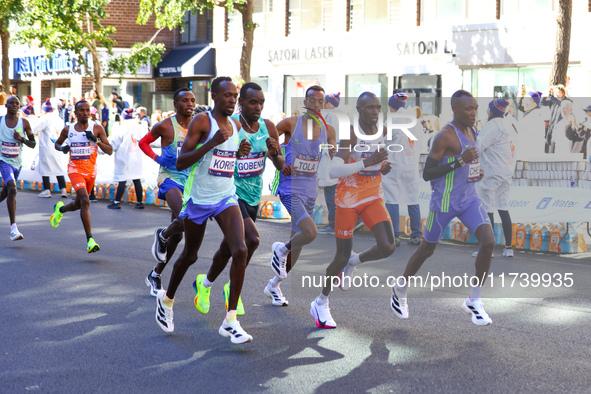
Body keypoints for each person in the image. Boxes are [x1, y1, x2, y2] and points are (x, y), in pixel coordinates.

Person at [154, 77, 254, 344]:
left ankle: (230, 320)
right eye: (227, 96)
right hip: (199, 199)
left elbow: (225, 161)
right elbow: (181, 160)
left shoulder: (235, 125)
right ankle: (167, 300)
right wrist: (210, 143)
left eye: (235, 96)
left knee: (241, 249)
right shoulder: (202, 122)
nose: (232, 100)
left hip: (225, 196)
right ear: (214, 97)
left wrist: (240, 153)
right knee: (190, 255)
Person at [391, 90, 495, 326]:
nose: (473, 112)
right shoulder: (445, 136)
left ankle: (474, 300)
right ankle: (400, 287)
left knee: (488, 241)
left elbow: (466, 165)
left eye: (475, 107)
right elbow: (428, 173)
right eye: (468, 108)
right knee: (427, 250)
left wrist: (475, 171)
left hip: (469, 199)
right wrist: (461, 161)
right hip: (445, 203)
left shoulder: (472, 130)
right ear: (455, 110)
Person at [192, 82, 284, 315]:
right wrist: (236, 154)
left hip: (253, 196)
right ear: (240, 103)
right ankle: (233, 290)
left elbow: (281, 165)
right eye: (253, 102)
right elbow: (215, 160)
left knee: (230, 248)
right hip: (230, 193)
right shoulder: (232, 127)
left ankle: (204, 284)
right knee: (251, 239)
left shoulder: (269, 127)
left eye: (261, 102)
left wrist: (274, 154)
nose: (258, 107)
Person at [310, 92, 395, 329]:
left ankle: (354, 263)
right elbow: (334, 172)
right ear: (359, 109)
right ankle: (321, 301)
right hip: (347, 199)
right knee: (340, 256)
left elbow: (373, 160)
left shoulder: (383, 131)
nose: (375, 112)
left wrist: (381, 166)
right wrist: (368, 163)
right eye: (370, 108)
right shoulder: (350, 136)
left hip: (372, 195)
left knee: (388, 247)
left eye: (378, 107)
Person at [267, 85, 337, 306]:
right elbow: (268, 141)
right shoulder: (291, 123)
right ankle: (280, 248)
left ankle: (274, 286)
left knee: (298, 244)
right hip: (289, 188)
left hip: (309, 190)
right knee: (310, 232)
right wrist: (279, 161)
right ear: (305, 102)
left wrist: (334, 150)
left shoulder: (329, 129)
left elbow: (332, 148)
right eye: (312, 100)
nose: (316, 105)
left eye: (320, 101)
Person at [139, 88, 195, 296]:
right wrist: (157, 158)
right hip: (170, 178)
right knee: (185, 217)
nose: (190, 104)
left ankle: (155, 273)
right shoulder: (165, 125)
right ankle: (162, 234)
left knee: (178, 234)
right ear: (176, 104)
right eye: (185, 101)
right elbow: (143, 143)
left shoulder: (199, 123)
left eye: (192, 100)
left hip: (191, 181)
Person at [50, 101, 113, 253]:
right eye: (82, 111)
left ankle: (61, 210)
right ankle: (90, 240)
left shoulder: (97, 128)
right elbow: (57, 144)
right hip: (75, 170)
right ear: (75, 113)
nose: (85, 113)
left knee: (79, 204)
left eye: (87, 110)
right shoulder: (68, 129)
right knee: (85, 200)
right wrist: (63, 148)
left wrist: (96, 140)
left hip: (90, 172)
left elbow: (110, 150)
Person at [475, 99, 517, 258]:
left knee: (488, 209)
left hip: (492, 171)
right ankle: (508, 248)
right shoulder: (510, 124)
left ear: (491, 110)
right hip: (506, 171)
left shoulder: (493, 126)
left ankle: (487, 249)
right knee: (503, 207)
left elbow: (478, 146)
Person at [383, 93, 423, 247]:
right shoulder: (417, 122)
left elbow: (383, 137)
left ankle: (394, 235)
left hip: (394, 164)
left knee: (392, 198)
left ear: (391, 107)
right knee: (412, 198)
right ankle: (416, 235)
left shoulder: (393, 119)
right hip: (411, 164)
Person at [0, 96, 36, 240]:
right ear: (6, 105)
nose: (14, 105)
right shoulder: (0, 121)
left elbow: (33, 144)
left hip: (17, 162)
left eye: (17, 103)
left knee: (6, 192)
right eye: (11, 103)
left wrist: (21, 139)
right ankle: (14, 228)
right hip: (3, 160)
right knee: (12, 188)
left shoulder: (24, 123)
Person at [108, 108, 147, 209]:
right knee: (136, 178)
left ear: (123, 116)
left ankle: (116, 202)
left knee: (122, 179)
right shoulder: (139, 127)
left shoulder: (121, 127)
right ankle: (139, 202)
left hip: (124, 156)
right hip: (135, 156)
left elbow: (115, 143)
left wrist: (108, 149)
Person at [34, 99, 68, 198]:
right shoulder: (59, 119)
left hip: (46, 147)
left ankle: (47, 190)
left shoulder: (45, 118)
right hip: (57, 146)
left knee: (45, 168)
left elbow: (35, 129)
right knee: (58, 168)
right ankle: (63, 189)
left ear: (43, 110)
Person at [317, 92, 340, 235]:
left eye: (326, 101)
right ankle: (334, 223)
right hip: (332, 156)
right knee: (332, 192)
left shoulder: (331, 116)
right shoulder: (337, 115)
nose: (324, 104)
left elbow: (326, 137)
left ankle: (333, 224)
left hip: (329, 155)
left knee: (331, 193)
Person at [518, 91, 545, 160]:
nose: (524, 102)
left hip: (531, 157)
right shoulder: (529, 114)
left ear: (535, 103)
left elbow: (522, 133)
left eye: (528, 100)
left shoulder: (536, 116)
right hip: (527, 156)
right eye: (524, 99)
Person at [542, 84, 567, 153]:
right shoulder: (554, 101)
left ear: (563, 93)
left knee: (557, 147)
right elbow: (543, 102)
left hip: (560, 127)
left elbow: (560, 103)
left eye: (559, 92)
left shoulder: (565, 101)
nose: (557, 94)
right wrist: (548, 93)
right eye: (556, 93)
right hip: (552, 126)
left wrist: (551, 96)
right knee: (550, 146)